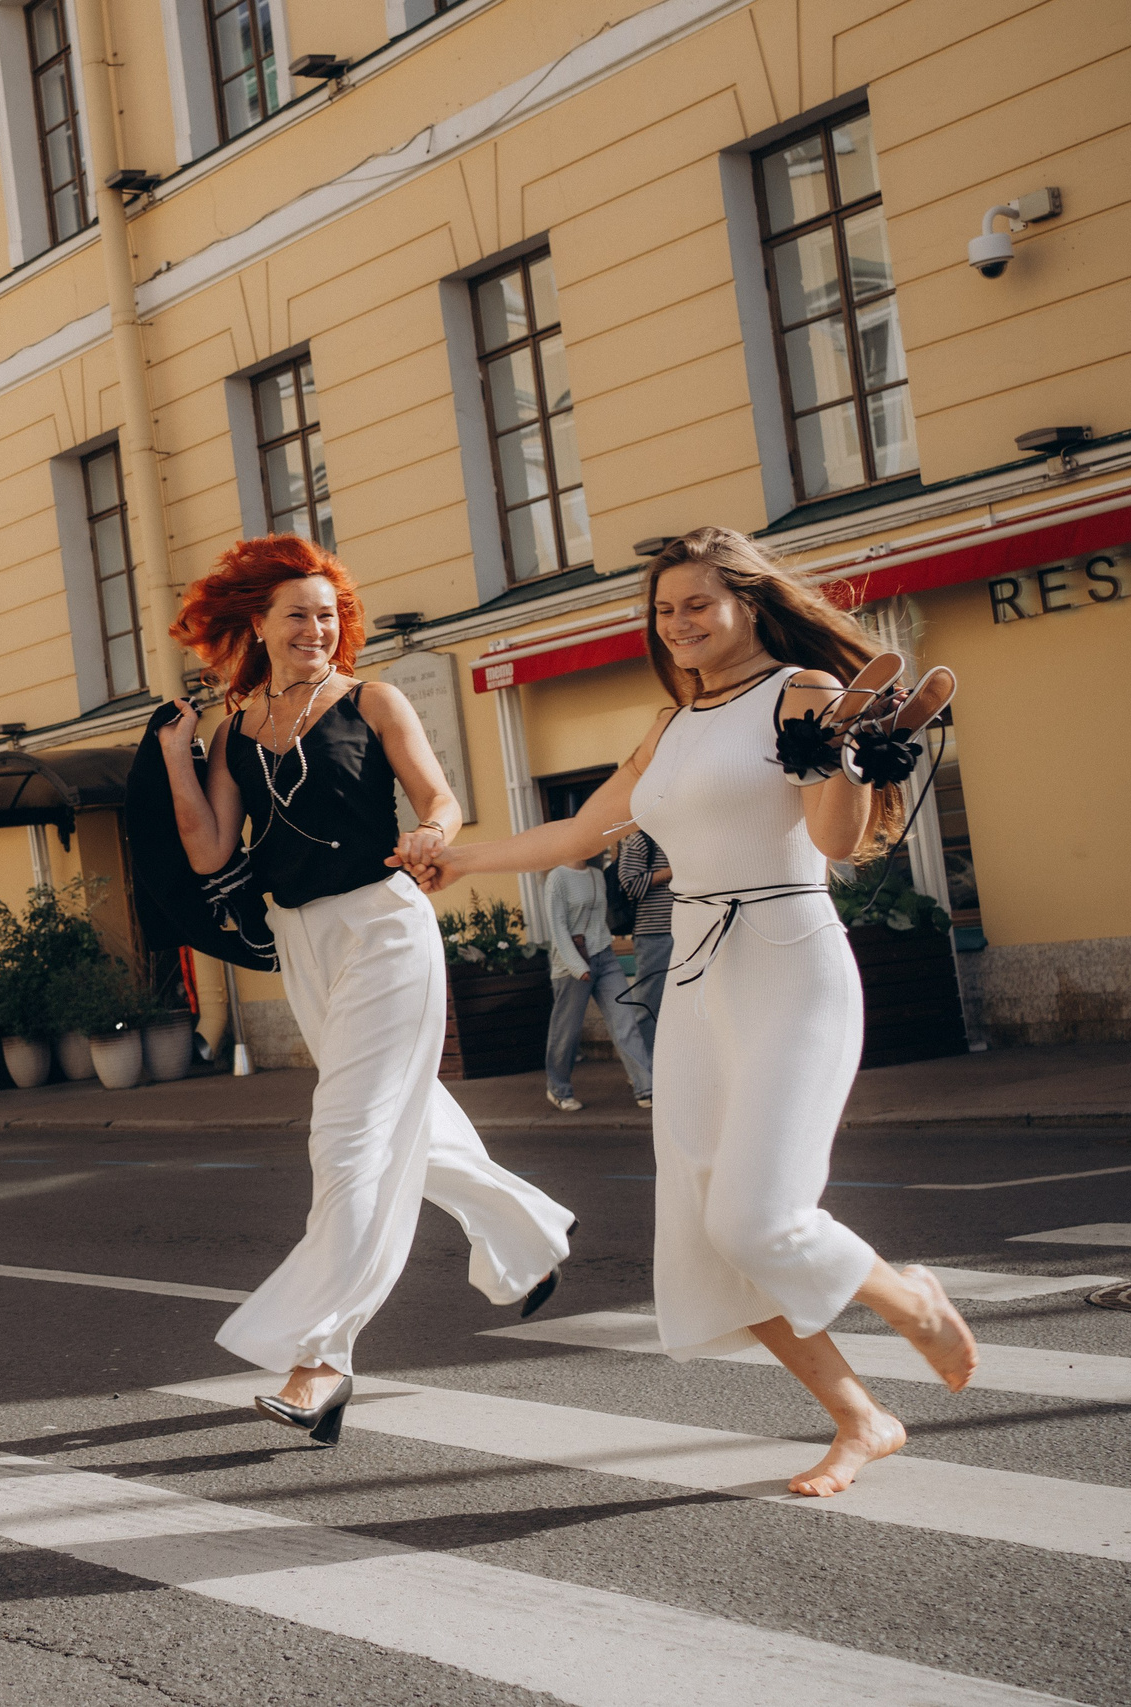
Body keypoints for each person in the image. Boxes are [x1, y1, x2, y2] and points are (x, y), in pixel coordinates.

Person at [397, 525, 976, 1497]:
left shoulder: (801, 692)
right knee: (710, 1239)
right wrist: (459, 861)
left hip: (789, 965)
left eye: (696, 605)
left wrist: (841, 762)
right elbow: (585, 830)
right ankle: (860, 1418)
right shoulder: (670, 727)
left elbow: (832, 841)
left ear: (748, 601)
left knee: (760, 1218)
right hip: (698, 980)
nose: (677, 625)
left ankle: (910, 1301)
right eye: (664, 612)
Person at [156, 534, 576, 1447]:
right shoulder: (234, 727)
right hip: (304, 938)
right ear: (258, 627)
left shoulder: (372, 700)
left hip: (386, 926)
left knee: (347, 1137)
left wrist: (432, 831)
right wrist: (179, 761)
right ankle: (530, 1239)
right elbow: (207, 850)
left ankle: (321, 1358)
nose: (318, 627)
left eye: (329, 612)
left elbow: (441, 799)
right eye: (297, 614)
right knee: (403, 1121)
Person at [542, 853, 655, 1112]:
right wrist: (578, 966)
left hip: (604, 956)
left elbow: (600, 920)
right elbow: (558, 927)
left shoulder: (596, 876)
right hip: (572, 964)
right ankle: (558, 1089)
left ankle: (645, 1087)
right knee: (567, 1033)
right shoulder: (557, 878)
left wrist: (604, 952)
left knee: (625, 1021)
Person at [616, 829, 673, 1061]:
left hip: (689, 931)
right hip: (654, 934)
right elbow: (629, 884)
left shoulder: (680, 834)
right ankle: (645, 1070)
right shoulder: (641, 839)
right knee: (647, 1005)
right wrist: (672, 871)